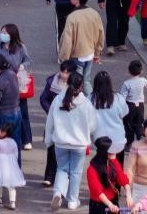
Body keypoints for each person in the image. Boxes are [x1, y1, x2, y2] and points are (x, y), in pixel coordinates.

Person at [44, 73, 97, 211]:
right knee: (75, 172)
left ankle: (58, 192)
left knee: (61, 169)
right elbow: (93, 125)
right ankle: (72, 200)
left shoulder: (58, 99)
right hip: (79, 144)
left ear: (67, 83)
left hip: (60, 142)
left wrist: (48, 139)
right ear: (81, 87)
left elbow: (50, 121)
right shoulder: (86, 103)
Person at [40, 59, 79, 187]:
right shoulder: (52, 82)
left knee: (66, 150)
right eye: (62, 71)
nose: (63, 75)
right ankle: (49, 176)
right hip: (54, 121)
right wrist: (51, 110)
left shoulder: (77, 84)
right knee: (51, 148)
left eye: (67, 72)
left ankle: (62, 176)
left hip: (69, 123)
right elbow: (43, 99)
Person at [58, 0, 105, 93]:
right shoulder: (94, 13)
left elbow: (67, 40)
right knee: (87, 80)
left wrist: (64, 58)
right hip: (90, 53)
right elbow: (100, 34)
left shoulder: (72, 17)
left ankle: (77, 104)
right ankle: (91, 102)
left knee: (75, 82)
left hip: (77, 55)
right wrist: (97, 53)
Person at [0, 24, 34, 150]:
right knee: (6, 111)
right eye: (2, 32)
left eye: (5, 32)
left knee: (23, 111)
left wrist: (23, 66)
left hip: (18, 82)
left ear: (12, 34)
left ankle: (26, 139)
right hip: (4, 82)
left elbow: (28, 61)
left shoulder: (20, 47)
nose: (3, 35)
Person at [120, 60, 147, 158]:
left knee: (128, 125)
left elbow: (122, 97)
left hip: (130, 105)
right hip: (140, 106)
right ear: (141, 72)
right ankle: (141, 139)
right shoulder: (143, 80)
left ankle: (129, 143)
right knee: (139, 122)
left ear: (129, 71)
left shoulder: (126, 83)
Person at [87, 136, 133, 214]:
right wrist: (110, 205)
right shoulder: (92, 169)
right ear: (104, 152)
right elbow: (98, 191)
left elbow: (122, 179)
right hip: (98, 204)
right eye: (111, 151)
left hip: (113, 201)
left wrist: (128, 195)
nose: (115, 152)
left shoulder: (113, 162)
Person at [0, 53, 22, 149]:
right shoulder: (12, 74)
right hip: (17, 112)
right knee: (15, 144)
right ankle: (16, 164)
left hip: (4, 116)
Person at [91, 71, 130, 156]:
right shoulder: (119, 98)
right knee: (117, 167)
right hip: (118, 140)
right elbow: (125, 113)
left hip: (99, 142)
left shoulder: (90, 99)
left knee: (101, 166)